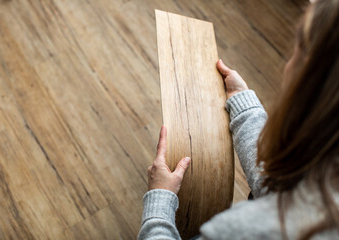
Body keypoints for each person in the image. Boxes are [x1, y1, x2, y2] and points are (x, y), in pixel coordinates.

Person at [138, 0, 339, 239]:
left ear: (309, 81)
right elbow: (280, 189)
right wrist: (243, 105)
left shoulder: (245, 230)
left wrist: (159, 200)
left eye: (298, 48)